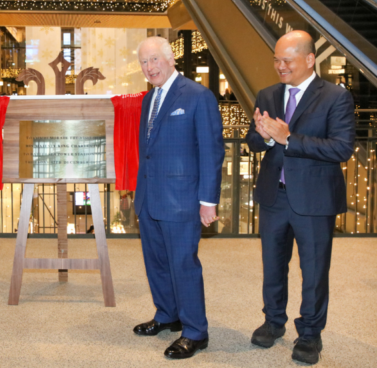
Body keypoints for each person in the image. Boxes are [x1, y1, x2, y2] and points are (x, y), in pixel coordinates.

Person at [245, 31, 355, 365]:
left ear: (309, 60)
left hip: (315, 199)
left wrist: (290, 139)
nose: (280, 66)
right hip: (274, 197)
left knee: (314, 271)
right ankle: (273, 321)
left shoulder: (335, 96)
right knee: (272, 267)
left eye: (287, 60)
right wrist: (263, 138)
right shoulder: (267, 94)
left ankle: (309, 334)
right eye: (276, 60)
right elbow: (253, 140)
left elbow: (342, 147)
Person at [132, 36, 224, 359]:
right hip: (150, 198)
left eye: (155, 59)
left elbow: (212, 151)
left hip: (183, 200)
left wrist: (208, 200)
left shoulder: (199, 96)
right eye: (144, 62)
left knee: (183, 265)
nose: (149, 67)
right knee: (156, 264)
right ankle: (167, 315)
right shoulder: (148, 100)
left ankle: (196, 331)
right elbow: (148, 152)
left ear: (171, 59)